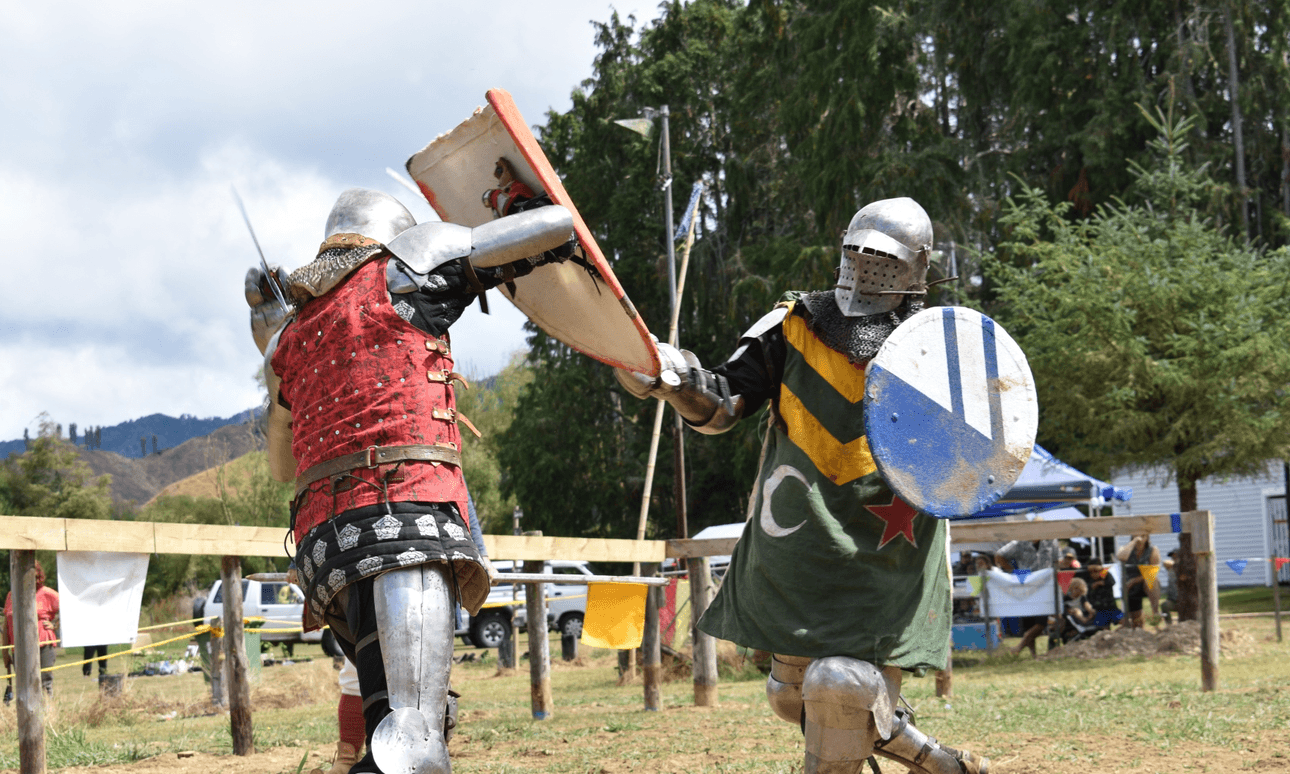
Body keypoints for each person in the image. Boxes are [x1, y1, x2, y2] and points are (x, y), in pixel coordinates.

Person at [617, 198, 988, 774]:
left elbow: (977, 448)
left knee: (839, 687)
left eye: (884, 261)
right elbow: (723, 404)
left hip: (888, 551)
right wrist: (677, 380)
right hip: (798, 542)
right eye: (859, 255)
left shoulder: (935, 346)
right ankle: (937, 760)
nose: (868, 271)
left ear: (917, 269)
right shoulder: (794, 323)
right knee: (792, 696)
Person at [246, 188, 572, 774]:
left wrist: (267, 332)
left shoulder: (289, 337)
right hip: (403, 523)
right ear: (394, 236)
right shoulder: (407, 266)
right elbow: (556, 225)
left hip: (326, 552)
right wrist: (515, 205)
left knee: (395, 726)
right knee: (413, 744)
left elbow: (278, 468)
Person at [994, 538, 1060, 658]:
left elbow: (1056, 561)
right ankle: (1033, 655)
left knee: (1042, 622)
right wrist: (1013, 572)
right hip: (1026, 585)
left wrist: (1055, 577)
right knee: (1029, 622)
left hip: (1045, 585)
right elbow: (999, 556)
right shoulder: (1018, 542)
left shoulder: (1051, 541)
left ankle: (1018, 647)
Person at [3, 560, 60, 695]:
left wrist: (55, 625)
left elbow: (70, 608)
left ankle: (48, 714)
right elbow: (6, 625)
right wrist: (5, 652)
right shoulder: (11, 595)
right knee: (24, 686)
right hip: (18, 647)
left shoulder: (47, 593)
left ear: (37, 574)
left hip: (43, 644)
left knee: (45, 683)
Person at [1116, 533, 1161, 628]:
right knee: (1137, 622)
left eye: (1143, 536)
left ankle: (1155, 611)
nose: (1140, 539)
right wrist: (1134, 542)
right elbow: (1120, 556)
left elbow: (1153, 570)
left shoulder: (1152, 550)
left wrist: (1135, 580)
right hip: (1130, 587)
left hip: (1144, 582)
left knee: (1153, 580)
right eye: (1136, 536)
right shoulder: (1127, 549)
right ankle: (1134, 624)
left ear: (1147, 537)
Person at [1077, 559, 1122, 628]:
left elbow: (1112, 582)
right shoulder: (1087, 578)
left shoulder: (1106, 575)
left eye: (1097, 571)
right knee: (1103, 629)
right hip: (1099, 611)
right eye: (1092, 572)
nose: (1094, 574)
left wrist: (1100, 583)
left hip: (1112, 608)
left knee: (1125, 621)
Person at [1057, 578, 1098, 644]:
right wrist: (1072, 612)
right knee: (1077, 610)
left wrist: (1090, 610)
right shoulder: (1066, 599)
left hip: (1083, 614)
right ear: (1073, 589)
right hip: (1073, 615)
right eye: (1078, 590)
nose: (1079, 594)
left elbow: (1086, 604)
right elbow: (1067, 610)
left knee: (1089, 609)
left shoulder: (1082, 597)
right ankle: (1084, 620)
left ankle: (1087, 619)